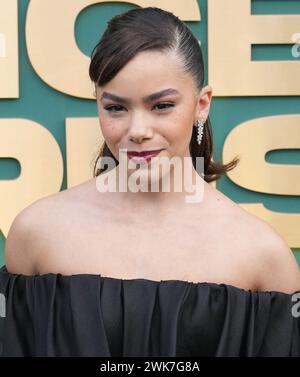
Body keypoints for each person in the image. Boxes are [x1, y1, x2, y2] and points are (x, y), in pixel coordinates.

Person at [0, 7, 300, 357]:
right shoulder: (37, 233)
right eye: (116, 108)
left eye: (162, 106)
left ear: (202, 104)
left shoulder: (263, 257)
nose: (137, 131)